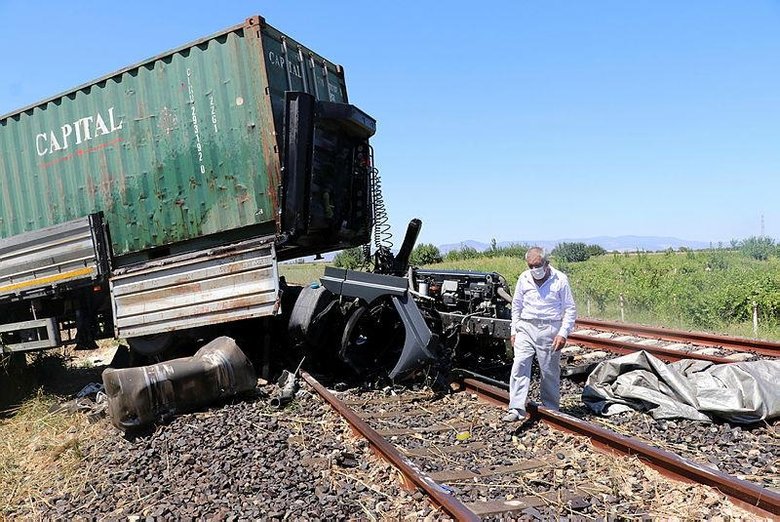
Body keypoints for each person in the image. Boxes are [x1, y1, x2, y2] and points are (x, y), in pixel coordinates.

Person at [503, 247, 577, 422]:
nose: (535, 269)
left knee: (549, 371)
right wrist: (514, 330)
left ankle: (551, 409)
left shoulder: (560, 279)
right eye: (531, 266)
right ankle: (516, 408)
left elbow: (570, 309)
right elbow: (516, 306)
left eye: (538, 265)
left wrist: (563, 333)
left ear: (546, 263)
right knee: (520, 364)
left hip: (549, 329)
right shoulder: (524, 278)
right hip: (526, 328)